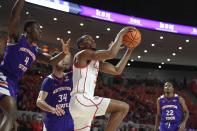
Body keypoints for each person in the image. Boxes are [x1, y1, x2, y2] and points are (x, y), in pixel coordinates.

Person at [0, 0, 69, 130]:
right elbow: (15, 15)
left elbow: (51, 61)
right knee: (10, 114)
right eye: (37, 28)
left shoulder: (35, 51)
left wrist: (63, 54)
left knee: (12, 121)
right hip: (3, 76)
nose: (40, 31)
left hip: (13, 83)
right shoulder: (17, 38)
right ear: (28, 29)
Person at [69, 26, 137, 131]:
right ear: (81, 45)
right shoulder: (82, 54)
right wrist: (121, 34)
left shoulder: (96, 62)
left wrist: (128, 52)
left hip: (81, 105)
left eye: (92, 40)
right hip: (81, 100)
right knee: (123, 107)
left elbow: (117, 70)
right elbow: (111, 53)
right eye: (88, 39)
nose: (92, 41)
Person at [37, 39, 74, 131]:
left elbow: (77, 63)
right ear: (54, 62)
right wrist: (52, 109)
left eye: (63, 59)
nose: (63, 61)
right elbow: (39, 101)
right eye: (60, 59)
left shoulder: (70, 76)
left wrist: (66, 52)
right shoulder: (48, 81)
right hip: (53, 123)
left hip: (69, 121)